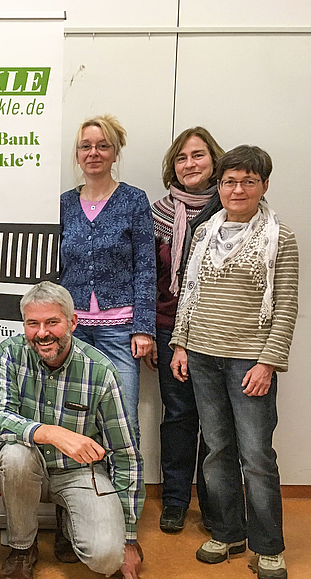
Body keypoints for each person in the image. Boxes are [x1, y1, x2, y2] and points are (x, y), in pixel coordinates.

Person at [170, 146, 298, 579]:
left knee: (256, 455)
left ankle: (269, 547)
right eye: (229, 182)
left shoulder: (280, 238)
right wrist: (181, 345)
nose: (237, 189)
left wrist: (268, 363)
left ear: (264, 185)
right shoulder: (204, 233)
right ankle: (227, 533)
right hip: (202, 356)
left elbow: (286, 307)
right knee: (217, 449)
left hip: (249, 363)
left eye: (248, 181)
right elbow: (190, 294)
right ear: (219, 187)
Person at [0, 282, 144, 579]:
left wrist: (128, 538)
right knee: (14, 455)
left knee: (106, 558)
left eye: (52, 322)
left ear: (73, 322)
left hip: (79, 471)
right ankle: (22, 547)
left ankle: (68, 522)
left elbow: (125, 454)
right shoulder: (10, 353)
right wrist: (51, 433)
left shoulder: (100, 370)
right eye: (33, 323)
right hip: (28, 466)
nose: (42, 333)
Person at [147, 127, 225, 534]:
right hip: (167, 327)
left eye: (198, 155)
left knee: (216, 420)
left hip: (217, 331)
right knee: (178, 416)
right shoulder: (157, 213)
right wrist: (147, 329)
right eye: (181, 157)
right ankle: (176, 500)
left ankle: (215, 504)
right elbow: (147, 276)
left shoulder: (234, 206)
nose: (190, 164)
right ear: (172, 166)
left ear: (214, 160)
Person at [59, 115, 155, 439]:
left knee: (123, 420)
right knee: (76, 419)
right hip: (75, 330)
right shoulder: (64, 204)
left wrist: (143, 328)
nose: (93, 153)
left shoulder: (134, 200)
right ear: (77, 154)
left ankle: (127, 475)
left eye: (103, 146)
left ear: (115, 153)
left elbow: (146, 266)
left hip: (120, 331)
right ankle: (84, 475)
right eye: (85, 146)